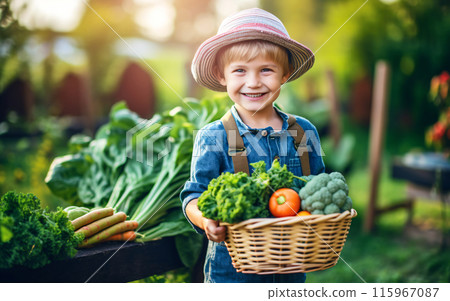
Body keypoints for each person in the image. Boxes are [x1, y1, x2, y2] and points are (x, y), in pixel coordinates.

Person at [180, 7, 325, 283]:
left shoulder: (304, 132)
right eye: (240, 71)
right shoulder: (214, 137)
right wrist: (205, 221)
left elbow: (318, 187)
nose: (253, 82)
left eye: (266, 70)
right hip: (231, 274)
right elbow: (192, 196)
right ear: (222, 76)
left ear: (286, 73)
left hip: (291, 270)